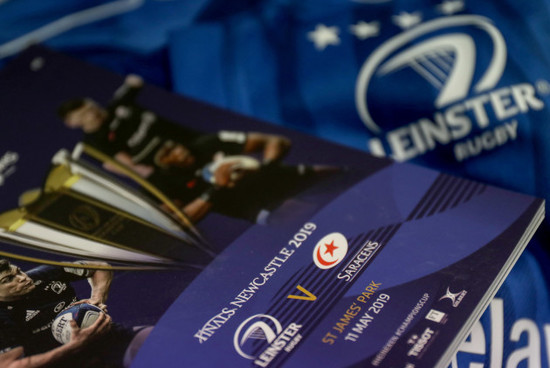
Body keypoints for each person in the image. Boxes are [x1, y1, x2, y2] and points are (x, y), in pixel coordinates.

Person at [58, 75, 338, 224]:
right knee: (291, 212)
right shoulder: (160, 179)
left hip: (220, 157)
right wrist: (213, 187)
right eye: (83, 116)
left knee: (329, 175)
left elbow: (275, 142)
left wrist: (267, 166)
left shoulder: (207, 144)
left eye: (91, 108)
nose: (92, 114)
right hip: (233, 197)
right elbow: (177, 218)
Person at [0, 259, 150, 368]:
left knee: (162, 342)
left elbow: (99, 266)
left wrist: (96, 298)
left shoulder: (43, 275)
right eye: (8, 279)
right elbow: (12, 365)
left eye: (18, 271)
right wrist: (74, 345)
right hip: (65, 363)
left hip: (109, 340)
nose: (22, 278)